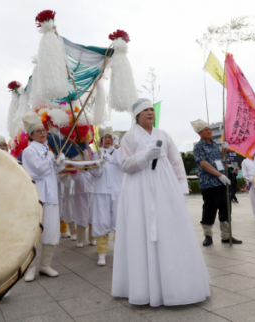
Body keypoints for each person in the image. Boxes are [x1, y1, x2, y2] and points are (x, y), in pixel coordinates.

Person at [112, 99, 210, 306]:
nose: (149, 113)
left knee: (170, 231)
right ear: (137, 116)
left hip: (166, 189)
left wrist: (181, 189)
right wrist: (145, 156)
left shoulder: (164, 135)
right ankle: (144, 287)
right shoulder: (129, 137)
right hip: (138, 190)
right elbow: (125, 165)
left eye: (151, 110)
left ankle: (175, 284)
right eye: (145, 110)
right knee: (142, 232)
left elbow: (176, 162)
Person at [21, 115, 66, 281]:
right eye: (38, 131)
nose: (42, 133)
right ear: (31, 135)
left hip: (52, 197)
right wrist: (50, 158)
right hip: (37, 197)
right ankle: (30, 267)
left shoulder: (49, 150)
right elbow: (38, 170)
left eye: (43, 130)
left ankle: (45, 265)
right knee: (34, 232)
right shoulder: (29, 151)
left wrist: (59, 163)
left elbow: (52, 172)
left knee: (52, 230)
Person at [192, 119, 243, 246]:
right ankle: (208, 236)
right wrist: (219, 175)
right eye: (206, 130)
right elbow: (204, 164)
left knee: (226, 207)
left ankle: (226, 236)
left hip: (222, 181)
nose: (209, 131)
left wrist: (224, 150)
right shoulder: (199, 146)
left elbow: (220, 160)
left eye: (209, 129)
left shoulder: (215, 144)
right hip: (209, 183)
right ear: (199, 133)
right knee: (210, 208)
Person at [91, 126, 123, 266]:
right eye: (105, 137)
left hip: (118, 191)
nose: (108, 140)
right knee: (101, 221)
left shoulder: (119, 152)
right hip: (101, 192)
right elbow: (96, 174)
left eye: (110, 137)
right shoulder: (96, 154)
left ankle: (121, 252)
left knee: (120, 221)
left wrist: (118, 146)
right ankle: (102, 253)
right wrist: (98, 164)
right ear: (100, 141)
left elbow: (125, 163)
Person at [71, 147, 96, 248]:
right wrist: (77, 169)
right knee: (81, 215)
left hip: (93, 192)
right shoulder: (77, 166)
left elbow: (97, 175)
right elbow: (75, 177)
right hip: (80, 193)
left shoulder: (92, 168)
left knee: (92, 216)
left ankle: (92, 237)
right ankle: (80, 239)